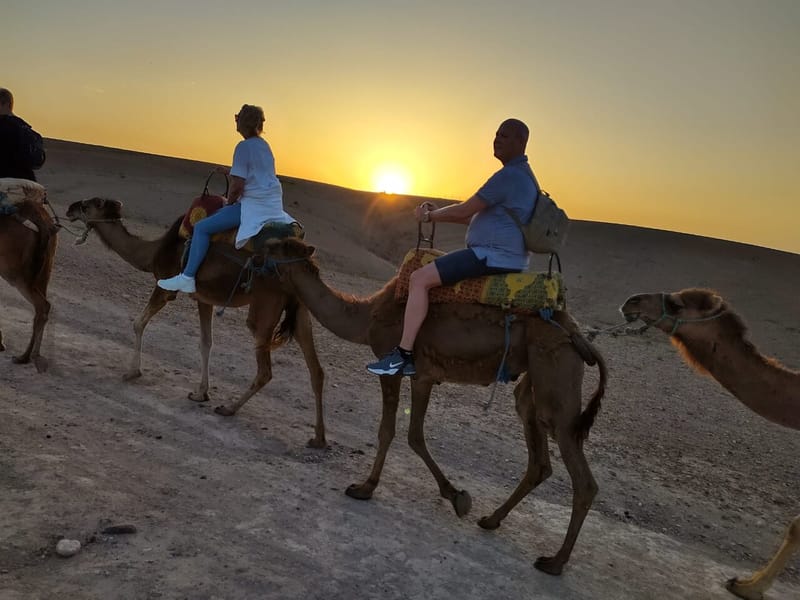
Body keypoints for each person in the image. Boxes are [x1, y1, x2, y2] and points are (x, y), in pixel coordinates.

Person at [366, 118, 538, 376]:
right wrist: (442, 213)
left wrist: (429, 216)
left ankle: (403, 356)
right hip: (509, 257)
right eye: (496, 134)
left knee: (419, 279)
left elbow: (466, 209)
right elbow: (476, 217)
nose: (497, 139)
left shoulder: (508, 176)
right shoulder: (527, 178)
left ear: (521, 142)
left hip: (491, 258)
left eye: (504, 136)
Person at [158, 104, 296, 294]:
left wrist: (229, 202)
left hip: (252, 207)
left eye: (237, 117)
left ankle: (187, 277)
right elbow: (257, 175)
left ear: (243, 121)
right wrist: (230, 172)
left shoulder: (243, 146)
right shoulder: (264, 146)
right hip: (271, 206)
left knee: (201, 227)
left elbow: (238, 186)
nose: (235, 120)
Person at [0, 87, 41, 182]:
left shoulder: (7, 126)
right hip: (27, 185)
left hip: (5, 185)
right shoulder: (25, 128)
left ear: (5, 104)